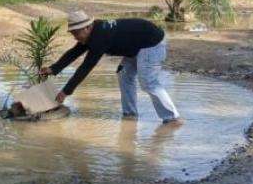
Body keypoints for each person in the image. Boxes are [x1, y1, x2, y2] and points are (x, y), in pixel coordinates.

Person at [39, 10, 182, 125]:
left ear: (88, 27)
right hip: (135, 46)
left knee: (148, 82)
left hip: (151, 43)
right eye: (73, 33)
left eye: (76, 33)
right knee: (124, 75)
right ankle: (130, 115)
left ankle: (172, 118)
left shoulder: (100, 37)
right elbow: (74, 52)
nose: (75, 37)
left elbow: (86, 67)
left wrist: (65, 92)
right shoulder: (93, 32)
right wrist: (53, 69)